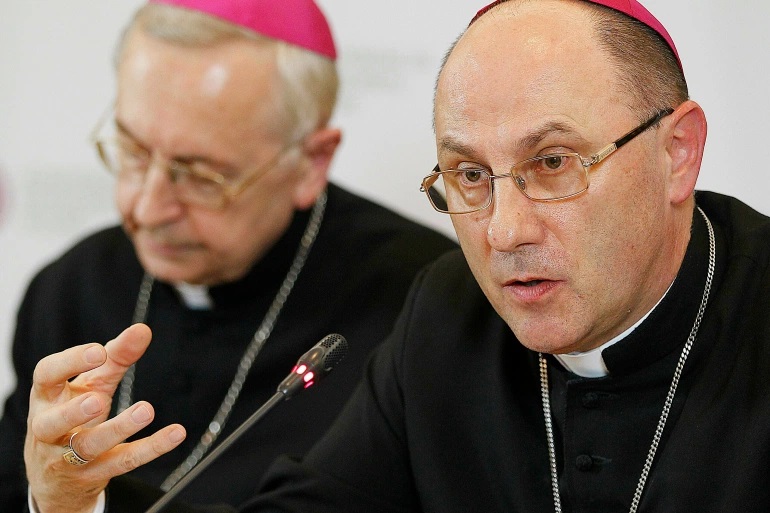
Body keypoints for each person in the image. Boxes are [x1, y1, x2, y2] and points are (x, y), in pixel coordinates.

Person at [20, 0, 770, 512]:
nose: (504, 232)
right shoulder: (447, 313)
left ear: (677, 153)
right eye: (470, 176)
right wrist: (76, 502)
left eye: (552, 164)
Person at [0, 0, 458, 511]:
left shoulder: (427, 305)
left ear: (311, 161)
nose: (147, 209)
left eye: (199, 176)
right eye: (132, 151)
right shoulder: (69, 287)